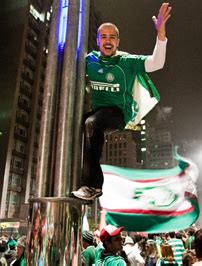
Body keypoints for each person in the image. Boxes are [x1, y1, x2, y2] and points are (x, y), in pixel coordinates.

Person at [71, 2, 172, 200]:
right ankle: (76, 179)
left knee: (91, 123)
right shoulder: (89, 60)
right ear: (98, 40)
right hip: (98, 111)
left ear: (118, 41)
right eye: (104, 37)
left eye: (112, 37)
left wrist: (161, 34)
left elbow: (156, 63)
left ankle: (92, 186)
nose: (108, 41)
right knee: (77, 126)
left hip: (118, 114)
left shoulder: (126, 61)